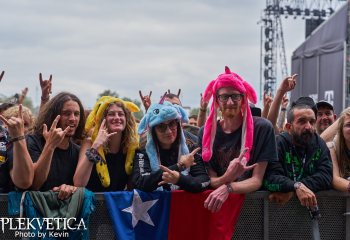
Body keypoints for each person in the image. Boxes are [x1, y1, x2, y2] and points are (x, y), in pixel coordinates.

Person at [199, 66, 278, 212]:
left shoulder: (262, 128)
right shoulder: (206, 133)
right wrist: (228, 176)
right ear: (216, 100)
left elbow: (257, 180)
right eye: (224, 97)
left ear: (243, 99)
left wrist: (229, 188)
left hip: (253, 210)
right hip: (218, 211)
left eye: (235, 96)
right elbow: (211, 180)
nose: (230, 102)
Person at [132, 99, 210, 193]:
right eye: (161, 126)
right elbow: (140, 183)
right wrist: (179, 166)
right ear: (153, 131)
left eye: (172, 124)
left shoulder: (191, 148)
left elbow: (204, 182)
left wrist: (179, 179)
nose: (168, 131)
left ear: (178, 125)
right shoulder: (144, 151)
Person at [264, 103, 332, 207]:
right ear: (288, 127)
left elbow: (326, 177)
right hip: (276, 213)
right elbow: (270, 179)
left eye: (312, 122)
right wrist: (296, 186)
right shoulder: (278, 144)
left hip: (308, 215)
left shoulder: (320, 144)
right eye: (302, 121)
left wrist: (294, 188)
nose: (308, 127)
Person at [74, 96, 140, 192]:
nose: (117, 117)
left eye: (121, 114)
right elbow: (78, 183)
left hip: (117, 205)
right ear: (103, 120)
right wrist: (96, 146)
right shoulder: (90, 142)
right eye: (111, 114)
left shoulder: (130, 148)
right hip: (92, 204)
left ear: (127, 119)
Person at [28, 92, 85, 199]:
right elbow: (34, 184)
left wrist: (71, 188)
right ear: (52, 116)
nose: (73, 119)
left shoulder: (78, 152)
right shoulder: (33, 142)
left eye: (76, 114)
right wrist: (50, 146)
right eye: (67, 113)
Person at [0, 104, 33, 192]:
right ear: (4, 124)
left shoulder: (32, 145)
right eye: (13, 122)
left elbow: (24, 182)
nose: (19, 126)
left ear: (31, 128)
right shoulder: (3, 144)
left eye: (24, 124)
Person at [327, 107, 350, 193]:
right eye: (348, 125)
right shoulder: (332, 148)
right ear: (341, 130)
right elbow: (335, 180)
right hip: (338, 204)